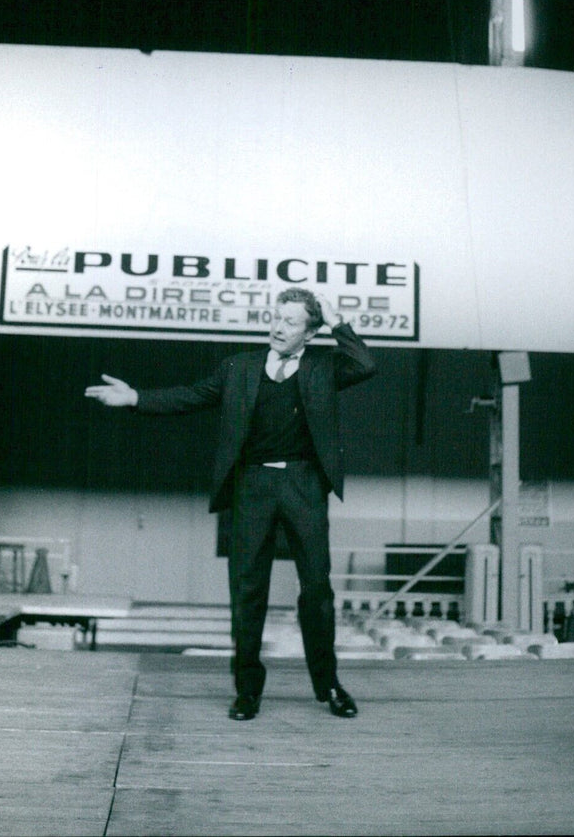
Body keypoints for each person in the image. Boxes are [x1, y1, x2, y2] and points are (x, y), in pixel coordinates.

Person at [85, 287, 376, 721]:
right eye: (275, 317)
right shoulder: (238, 368)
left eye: (291, 322)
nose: (278, 327)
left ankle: (329, 684)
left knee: (316, 589)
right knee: (247, 590)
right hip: (251, 485)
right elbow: (191, 396)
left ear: (310, 334)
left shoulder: (325, 367)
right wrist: (136, 398)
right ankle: (247, 691)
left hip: (303, 484)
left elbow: (366, 364)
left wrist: (338, 322)